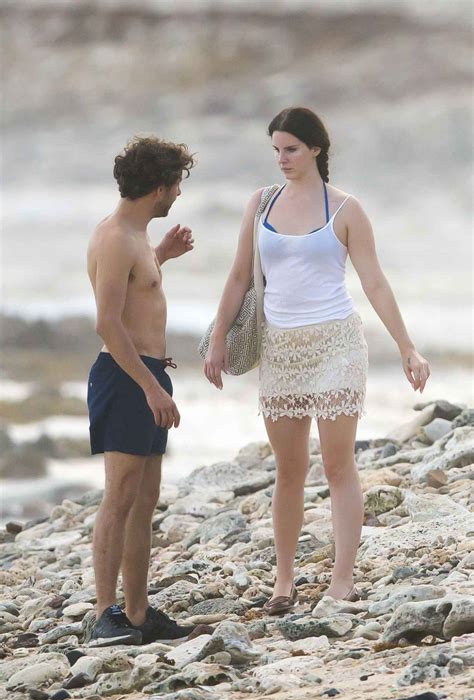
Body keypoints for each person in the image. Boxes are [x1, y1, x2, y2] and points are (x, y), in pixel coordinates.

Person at [204, 107, 431, 614]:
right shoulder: (260, 203)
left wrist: (406, 346)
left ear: (315, 150)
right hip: (280, 347)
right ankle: (283, 583)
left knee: (336, 463)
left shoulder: (346, 209)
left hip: (337, 345)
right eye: (276, 150)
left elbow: (374, 282)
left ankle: (341, 581)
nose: (281, 159)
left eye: (291, 149)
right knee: (287, 469)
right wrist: (218, 338)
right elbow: (239, 277)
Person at [87, 135, 210, 645]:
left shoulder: (137, 238)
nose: (179, 194)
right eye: (177, 184)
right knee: (119, 496)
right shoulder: (115, 237)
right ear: (159, 187)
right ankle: (104, 614)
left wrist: (162, 255)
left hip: (146, 373)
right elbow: (108, 325)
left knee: (145, 499)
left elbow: (139, 291)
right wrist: (151, 388)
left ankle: (137, 614)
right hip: (125, 378)